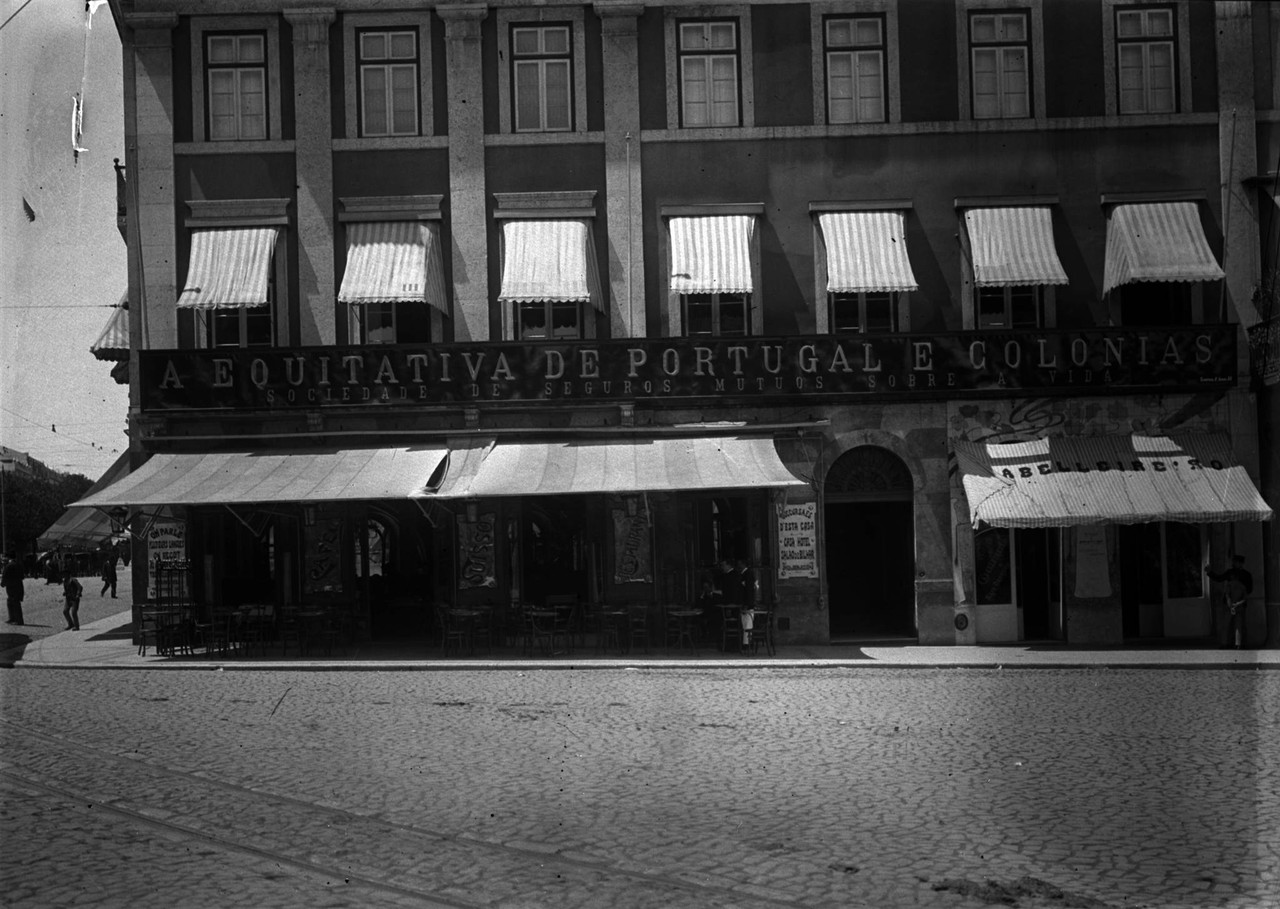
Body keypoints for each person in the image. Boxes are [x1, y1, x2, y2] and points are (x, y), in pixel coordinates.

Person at [1206, 555, 1253, 650]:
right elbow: (1220, 579)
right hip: (1232, 603)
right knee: (1230, 624)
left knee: (1237, 624)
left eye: (1236, 562)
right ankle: (1230, 643)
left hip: (1237, 604)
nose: (1234, 563)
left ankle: (1237, 644)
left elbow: (1249, 590)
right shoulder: (1232, 573)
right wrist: (1210, 572)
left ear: (1241, 563)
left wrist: (1237, 601)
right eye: (1234, 562)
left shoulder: (1245, 575)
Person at [2, 552, 25, 625]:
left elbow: (5, 576)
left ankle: (16, 619)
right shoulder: (18, 565)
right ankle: (15, 619)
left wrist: (2, 584)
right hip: (18, 586)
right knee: (14, 602)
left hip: (11, 587)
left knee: (13, 602)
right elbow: (22, 576)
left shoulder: (8, 566)